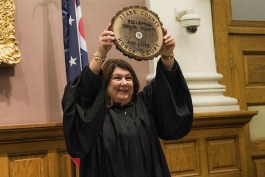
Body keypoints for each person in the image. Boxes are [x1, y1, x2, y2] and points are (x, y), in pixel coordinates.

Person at [62, 23, 193, 177]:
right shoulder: (94, 111)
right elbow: (82, 92)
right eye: (117, 78)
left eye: (128, 78)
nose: (124, 83)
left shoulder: (144, 103)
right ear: (105, 83)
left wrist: (167, 55)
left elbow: (167, 86)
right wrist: (101, 52)